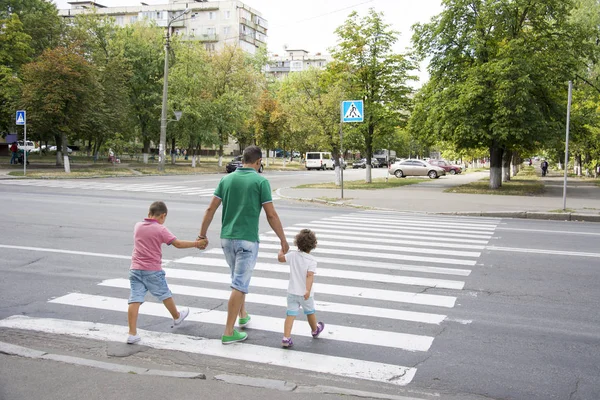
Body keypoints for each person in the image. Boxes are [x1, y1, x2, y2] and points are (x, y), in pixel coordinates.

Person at [198, 145, 289, 344]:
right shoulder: (260, 181)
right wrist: (283, 240)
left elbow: (210, 209)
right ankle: (229, 332)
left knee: (237, 280)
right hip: (247, 240)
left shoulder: (226, 179)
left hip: (226, 239)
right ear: (258, 162)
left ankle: (243, 315)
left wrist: (202, 235)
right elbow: (271, 214)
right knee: (239, 284)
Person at [127, 201, 207, 344]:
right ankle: (176, 317)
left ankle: (132, 333)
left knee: (135, 299)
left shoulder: (138, 226)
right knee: (165, 294)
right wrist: (197, 244)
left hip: (135, 269)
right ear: (163, 216)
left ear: (149, 213)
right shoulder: (160, 229)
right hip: (152, 269)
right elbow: (178, 244)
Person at [277, 229, 325, 348]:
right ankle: (315, 329)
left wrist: (281, 250)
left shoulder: (292, 255)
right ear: (313, 245)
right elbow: (309, 276)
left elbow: (280, 258)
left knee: (290, 314)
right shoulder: (312, 260)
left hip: (292, 292)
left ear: (297, 243)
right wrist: (307, 290)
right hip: (305, 294)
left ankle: (286, 337)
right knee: (310, 312)